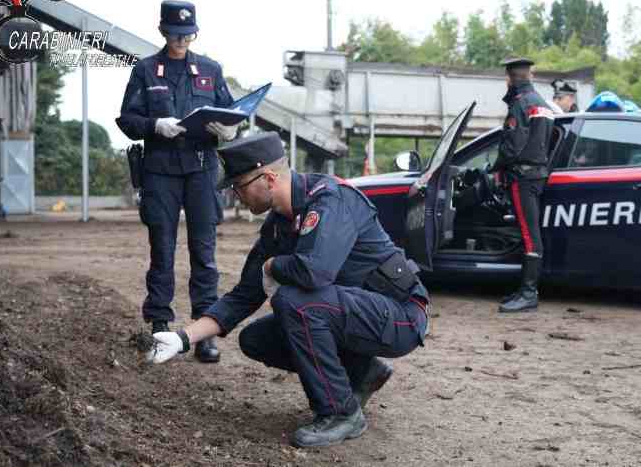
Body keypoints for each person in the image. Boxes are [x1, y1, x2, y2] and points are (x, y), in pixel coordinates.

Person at [146, 132, 430, 448]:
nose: (236, 195)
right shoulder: (279, 224)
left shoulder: (331, 199)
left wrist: (272, 266)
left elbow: (314, 272)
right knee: (256, 339)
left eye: (239, 186)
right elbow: (244, 294)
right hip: (358, 311)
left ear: (268, 178)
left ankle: (341, 413)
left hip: (401, 315)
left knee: (295, 301)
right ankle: (362, 371)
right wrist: (182, 338)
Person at [116, 0, 237, 363]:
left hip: (201, 170)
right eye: (173, 34)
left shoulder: (211, 70)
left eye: (186, 35)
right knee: (162, 251)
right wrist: (154, 125)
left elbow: (232, 114)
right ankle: (159, 326)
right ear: (162, 32)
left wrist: (228, 131)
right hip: (160, 171)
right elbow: (127, 118)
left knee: (204, 252)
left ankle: (205, 331)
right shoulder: (146, 70)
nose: (180, 41)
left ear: (194, 33)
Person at [492, 58, 554, 313]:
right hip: (537, 175)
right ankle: (524, 291)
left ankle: (529, 294)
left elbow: (512, 145)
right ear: (530, 75)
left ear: (509, 78)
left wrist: (496, 166)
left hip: (523, 176)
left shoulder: (520, 104)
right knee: (532, 232)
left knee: (529, 235)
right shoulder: (542, 104)